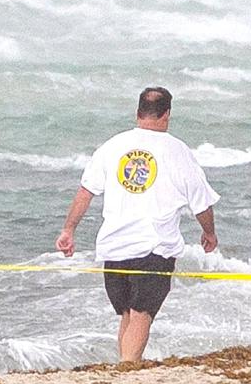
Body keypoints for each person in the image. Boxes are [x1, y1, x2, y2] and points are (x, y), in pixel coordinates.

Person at [55, 87, 219, 362]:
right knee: (141, 314)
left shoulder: (112, 146)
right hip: (153, 246)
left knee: (129, 314)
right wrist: (209, 233)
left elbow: (86, 192)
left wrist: (68, 230)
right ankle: (128, 368)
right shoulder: (177, 151)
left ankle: (126, 367)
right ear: (167, 114)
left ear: (138, 112)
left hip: (114, 244)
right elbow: (201, 204)